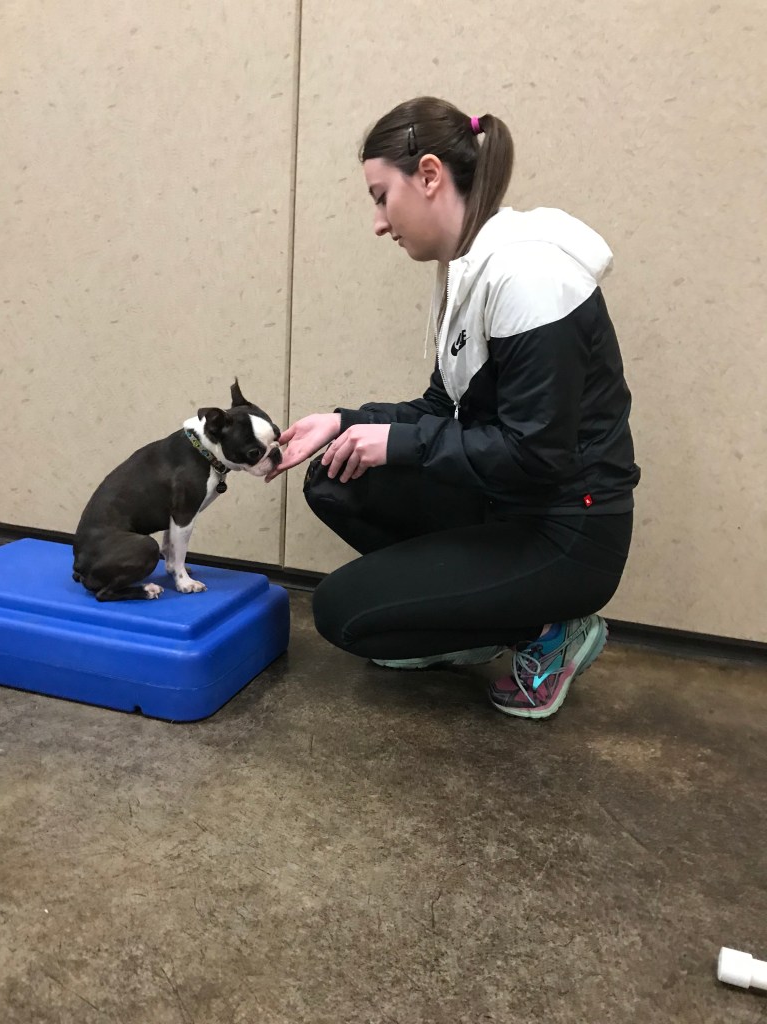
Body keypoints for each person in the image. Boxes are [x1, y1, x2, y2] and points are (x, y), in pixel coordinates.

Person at [267, 96, 640, 719]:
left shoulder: (529, 276)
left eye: (381, 196)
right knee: (334, 478)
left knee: (341, 614)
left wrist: (397, 442)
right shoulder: (468, 272)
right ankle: (485, 614)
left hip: (569, 531)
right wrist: (346, 423)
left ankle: (550, 629)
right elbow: (441, 408)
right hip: (508, 502)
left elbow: (536, 454)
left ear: (430, 175)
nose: (379, 223)